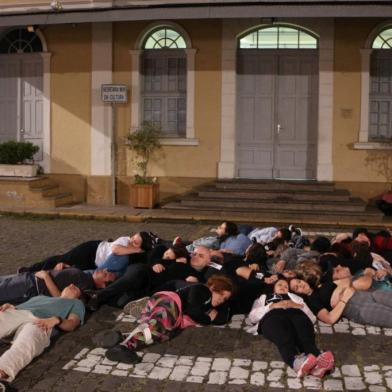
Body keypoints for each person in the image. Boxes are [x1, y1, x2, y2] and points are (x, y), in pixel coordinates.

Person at [104, 275, 235, 364]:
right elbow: (192, 310)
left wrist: (210, 315)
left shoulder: (206, 304)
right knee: (160, 328)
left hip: (166, 308)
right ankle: (122, 348)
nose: (221, 300)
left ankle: (122, 337)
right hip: (169, 302)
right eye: (221, 295)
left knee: (163, 334)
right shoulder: (203, 290)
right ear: (213, 287)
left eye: (224, 299)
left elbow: (221, 319)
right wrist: (207, 319)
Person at [246, 278, 334, 378]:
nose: (283, 287)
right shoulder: (264, 297)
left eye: (286, 286)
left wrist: (297, 306)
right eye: (280, 285)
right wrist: (272, 306)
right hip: (273, 317)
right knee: (284, 337)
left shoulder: (296, 298)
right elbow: (252, 317)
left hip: (296, 314)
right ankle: (296, 362)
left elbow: (312, 318)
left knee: (304, 335)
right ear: (274, 287)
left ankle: (317, 360)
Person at [0, 284, 85, 386]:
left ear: (79, 296)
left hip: (41, 322)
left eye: (76, 287)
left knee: (28, 341)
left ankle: (2, 371)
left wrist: (57, 319)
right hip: (19, 313)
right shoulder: (41, 297)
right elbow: (22, 306)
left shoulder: (77, 303)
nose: (72, 285)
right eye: (70, 284)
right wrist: (11, 306)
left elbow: (72, 324)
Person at [289, 262, 392, 327]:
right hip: (359, 309)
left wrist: (342, 289)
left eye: (299, 281)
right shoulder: (312, 300)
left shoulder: (323, 284)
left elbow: (348, 281)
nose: (300, 285)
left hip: (368, 294)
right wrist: (343, 299)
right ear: (297, 293)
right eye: (296, 288)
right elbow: (330, 319)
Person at [19, 231, 154, 273]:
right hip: (92, 250)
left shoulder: (133, 250)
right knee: (62, 259)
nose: (132, 240)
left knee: (68, 270)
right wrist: (135, 248)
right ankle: (31, 269)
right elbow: (115, 250)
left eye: (136, 241)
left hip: (93, 263)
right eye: (134, 237)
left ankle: (41, 274)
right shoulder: (125, 241)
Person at [0, 268, 116, 305]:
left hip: (30, 286)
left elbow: (61, 299)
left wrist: (46, 277)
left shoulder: (85, 285)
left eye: (106, 274)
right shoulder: (85, 276)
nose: (104, 270)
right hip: (27, 279)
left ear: (102, 285)